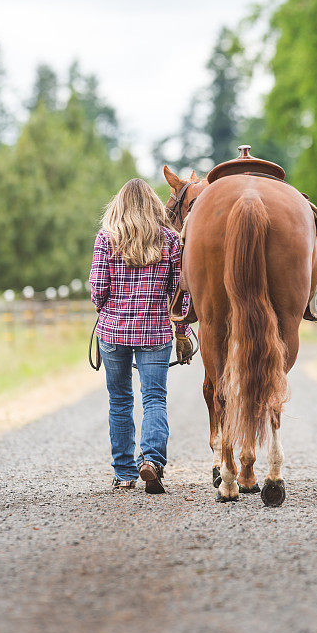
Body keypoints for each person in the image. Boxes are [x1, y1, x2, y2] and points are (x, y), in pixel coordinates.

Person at [89, 178, 193, 494]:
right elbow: (180, 294)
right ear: (153, 206)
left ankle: (123, 474)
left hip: (112, 332)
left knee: (120, 400)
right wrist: (182, 333)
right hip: (155, 332)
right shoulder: (171, 241)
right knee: (154, 398)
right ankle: (151, 461)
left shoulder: (107, 239)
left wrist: (109, 305)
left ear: (119, 205)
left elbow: (97, 291)